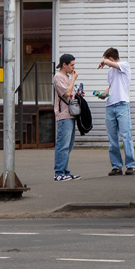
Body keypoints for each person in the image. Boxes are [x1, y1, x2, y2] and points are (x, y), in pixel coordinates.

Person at [98, 48, 135, 176]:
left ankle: (131, 165)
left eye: (107, 59)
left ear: (111, 59)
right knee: (112, 137)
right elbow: (111, 86)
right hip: (110, 105)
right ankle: (116, 166)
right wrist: (104, 94)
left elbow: (113, 64)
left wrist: (104, 62)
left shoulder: (124, 65)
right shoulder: (110, 71)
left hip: (122, 104)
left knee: (126, 136)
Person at [51, 54, 80, 182]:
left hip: (71, 114)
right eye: (72, 65)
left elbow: (70, 94)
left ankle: (65, 171)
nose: (73, 67)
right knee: (62, 145)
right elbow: (66, 93)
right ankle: (58, 173)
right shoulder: (58, 77)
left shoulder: (66, 77)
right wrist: (73, 78)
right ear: (64, 64)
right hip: (63, 115)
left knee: (69, 145)